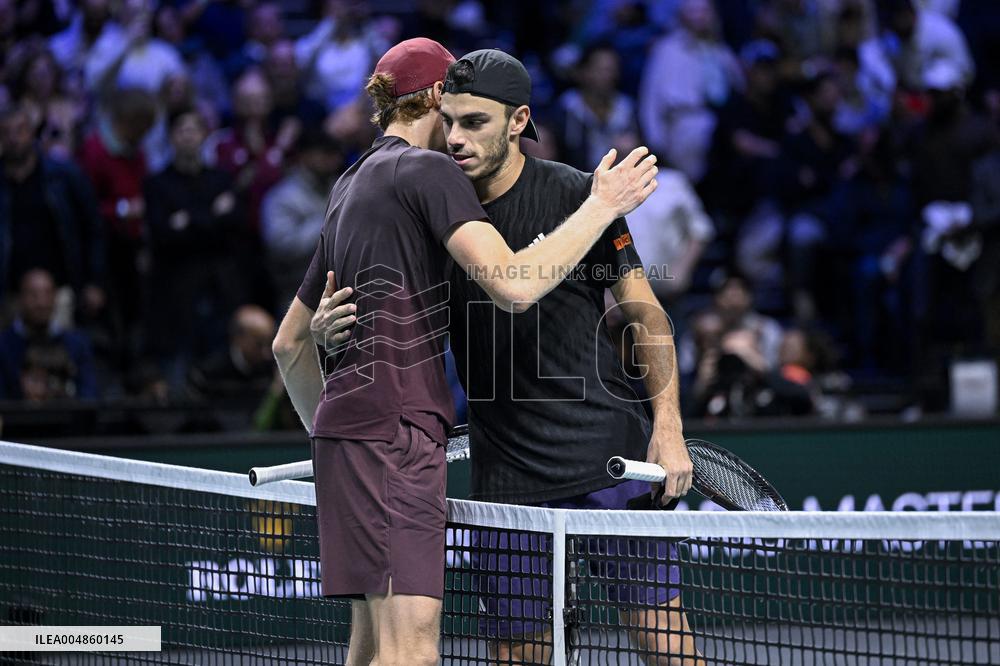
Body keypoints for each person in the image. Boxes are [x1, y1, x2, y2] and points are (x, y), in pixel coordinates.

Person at [272, 38, 658, 666]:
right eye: (451, 111)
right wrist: (603, 203)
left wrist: (333, 432)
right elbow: (514, 286)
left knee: (368, 646)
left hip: (347, 436)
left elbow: (289, 343)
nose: (455, 135)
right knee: (411, 652)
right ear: (435, 97)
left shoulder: (347, 185)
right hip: (397, 433)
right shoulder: (429, 173)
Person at [0, 269, 98, 400]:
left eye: (47, 293)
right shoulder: (4, 346)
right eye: (33, 295)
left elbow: (89, 396)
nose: (41, 303)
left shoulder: (77, 344)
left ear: (55, 297)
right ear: (20, 298)